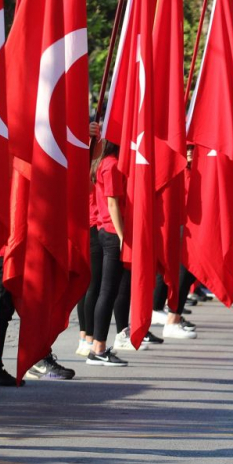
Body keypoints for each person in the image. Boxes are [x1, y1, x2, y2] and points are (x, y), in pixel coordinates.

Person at [85, 142, 128, 367]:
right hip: (111, 232)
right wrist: (122, 237)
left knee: (107, 290)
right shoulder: (111, 165)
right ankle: (98, 348)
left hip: (106, 230)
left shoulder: (103, 163)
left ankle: (97, 345)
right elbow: (113, 203)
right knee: (108, 291)